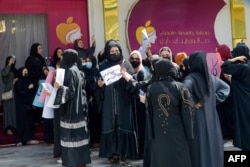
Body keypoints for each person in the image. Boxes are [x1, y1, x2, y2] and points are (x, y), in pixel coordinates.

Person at [121, 57, 195, 167]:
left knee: (161, 157)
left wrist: (125, 75)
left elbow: (146, 103)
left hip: (158, 131)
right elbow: (188, 111)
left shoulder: (151, 88)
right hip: (178, 131)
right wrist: (190, 133)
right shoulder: (180, 87)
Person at [182, 51, 230, 167]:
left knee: (199, 148)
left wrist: (192, 104)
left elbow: (182, 94)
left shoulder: (190, 80)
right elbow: (226, 88)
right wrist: (213, 100)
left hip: (196, 120)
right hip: (212, 119)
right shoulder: (211, 78)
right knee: (213, 147)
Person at [96, 40, 137, 164]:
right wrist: (99, 84)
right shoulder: (103, 66)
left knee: (123, 124)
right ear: (108, 53)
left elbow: (133, 82)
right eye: (112, 51)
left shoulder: (126, 65)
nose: (115, 53)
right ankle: (112, 153)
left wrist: (125, 76)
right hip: (109, 102)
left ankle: (123, 153)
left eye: (117, 51)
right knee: (110, 125)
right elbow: (97, 82)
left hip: (123, 101)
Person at [53, 49, 91, 167]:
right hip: (79, 110)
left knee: (70, 139)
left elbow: (70, 92)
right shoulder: (78, 71)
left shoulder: (69, 71)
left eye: (64, 57)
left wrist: (59, 87)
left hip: (70, 112)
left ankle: (72, 162)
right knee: (79, 140)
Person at [221, 45, 250, 151]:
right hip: (246, 98)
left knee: (244, 124)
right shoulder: (247, 66)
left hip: (243, 100)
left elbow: (224, 66)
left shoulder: (242, 67)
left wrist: (234, 59)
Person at [128, 50, 151, 158]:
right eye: (132, 59)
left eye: (137, 58)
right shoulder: (130, 72)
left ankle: (141, 151)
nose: (134, 61)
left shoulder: (143, 72)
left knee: (141, 128)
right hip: (132, 105)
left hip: (141, 105)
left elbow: (141, 88)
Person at [14, 67, 39, 146]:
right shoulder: (18, 82)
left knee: (29, 123)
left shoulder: (28, 81)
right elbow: (22, 93)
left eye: (27, 71)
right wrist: (28, 88)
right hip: (21, 106)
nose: (26, 72)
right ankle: (20, 140)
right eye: (24, 71)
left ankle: (28, 139)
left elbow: (31, 94)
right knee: (21, 123)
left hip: (28, 105)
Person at [215, 44, 234, 147]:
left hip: (228, 95)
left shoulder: (229, 64)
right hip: (223, 95)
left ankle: (231, 135)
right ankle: (226, 134)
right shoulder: (217, 63)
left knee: (228, 115)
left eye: (217, 51)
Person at [81, 55, 101, 148]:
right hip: (86, 99)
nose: (87, 62)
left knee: (96, 120)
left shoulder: (97, 71)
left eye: (89, 60)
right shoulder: (83, 71)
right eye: (86, 60)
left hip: (96, 100)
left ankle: (97, 140)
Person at [25, 43, 47, 125]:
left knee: (42, 101)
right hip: (34, 83)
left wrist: (45, 71)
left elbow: (44, 68)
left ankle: (41, 118)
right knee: (35, 101)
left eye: (41, 48)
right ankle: (34, 120)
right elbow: (29, 72)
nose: (41, 49)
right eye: (40, 48)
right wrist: (40, 71)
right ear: (35, 49)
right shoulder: (30, 59)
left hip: (42, 83)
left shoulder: (41, 58)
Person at [1, 56, 18, 135]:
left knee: (15, 109)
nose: (12, 61)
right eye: (10, 60)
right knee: (8, 109)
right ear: (7, 61)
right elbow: (5, 74)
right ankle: (8, 128)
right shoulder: (5, 69)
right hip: (8, 90)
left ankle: (15, 127)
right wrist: (9, 65)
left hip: (16, 91)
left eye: (13, 60)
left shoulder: (15, 70)